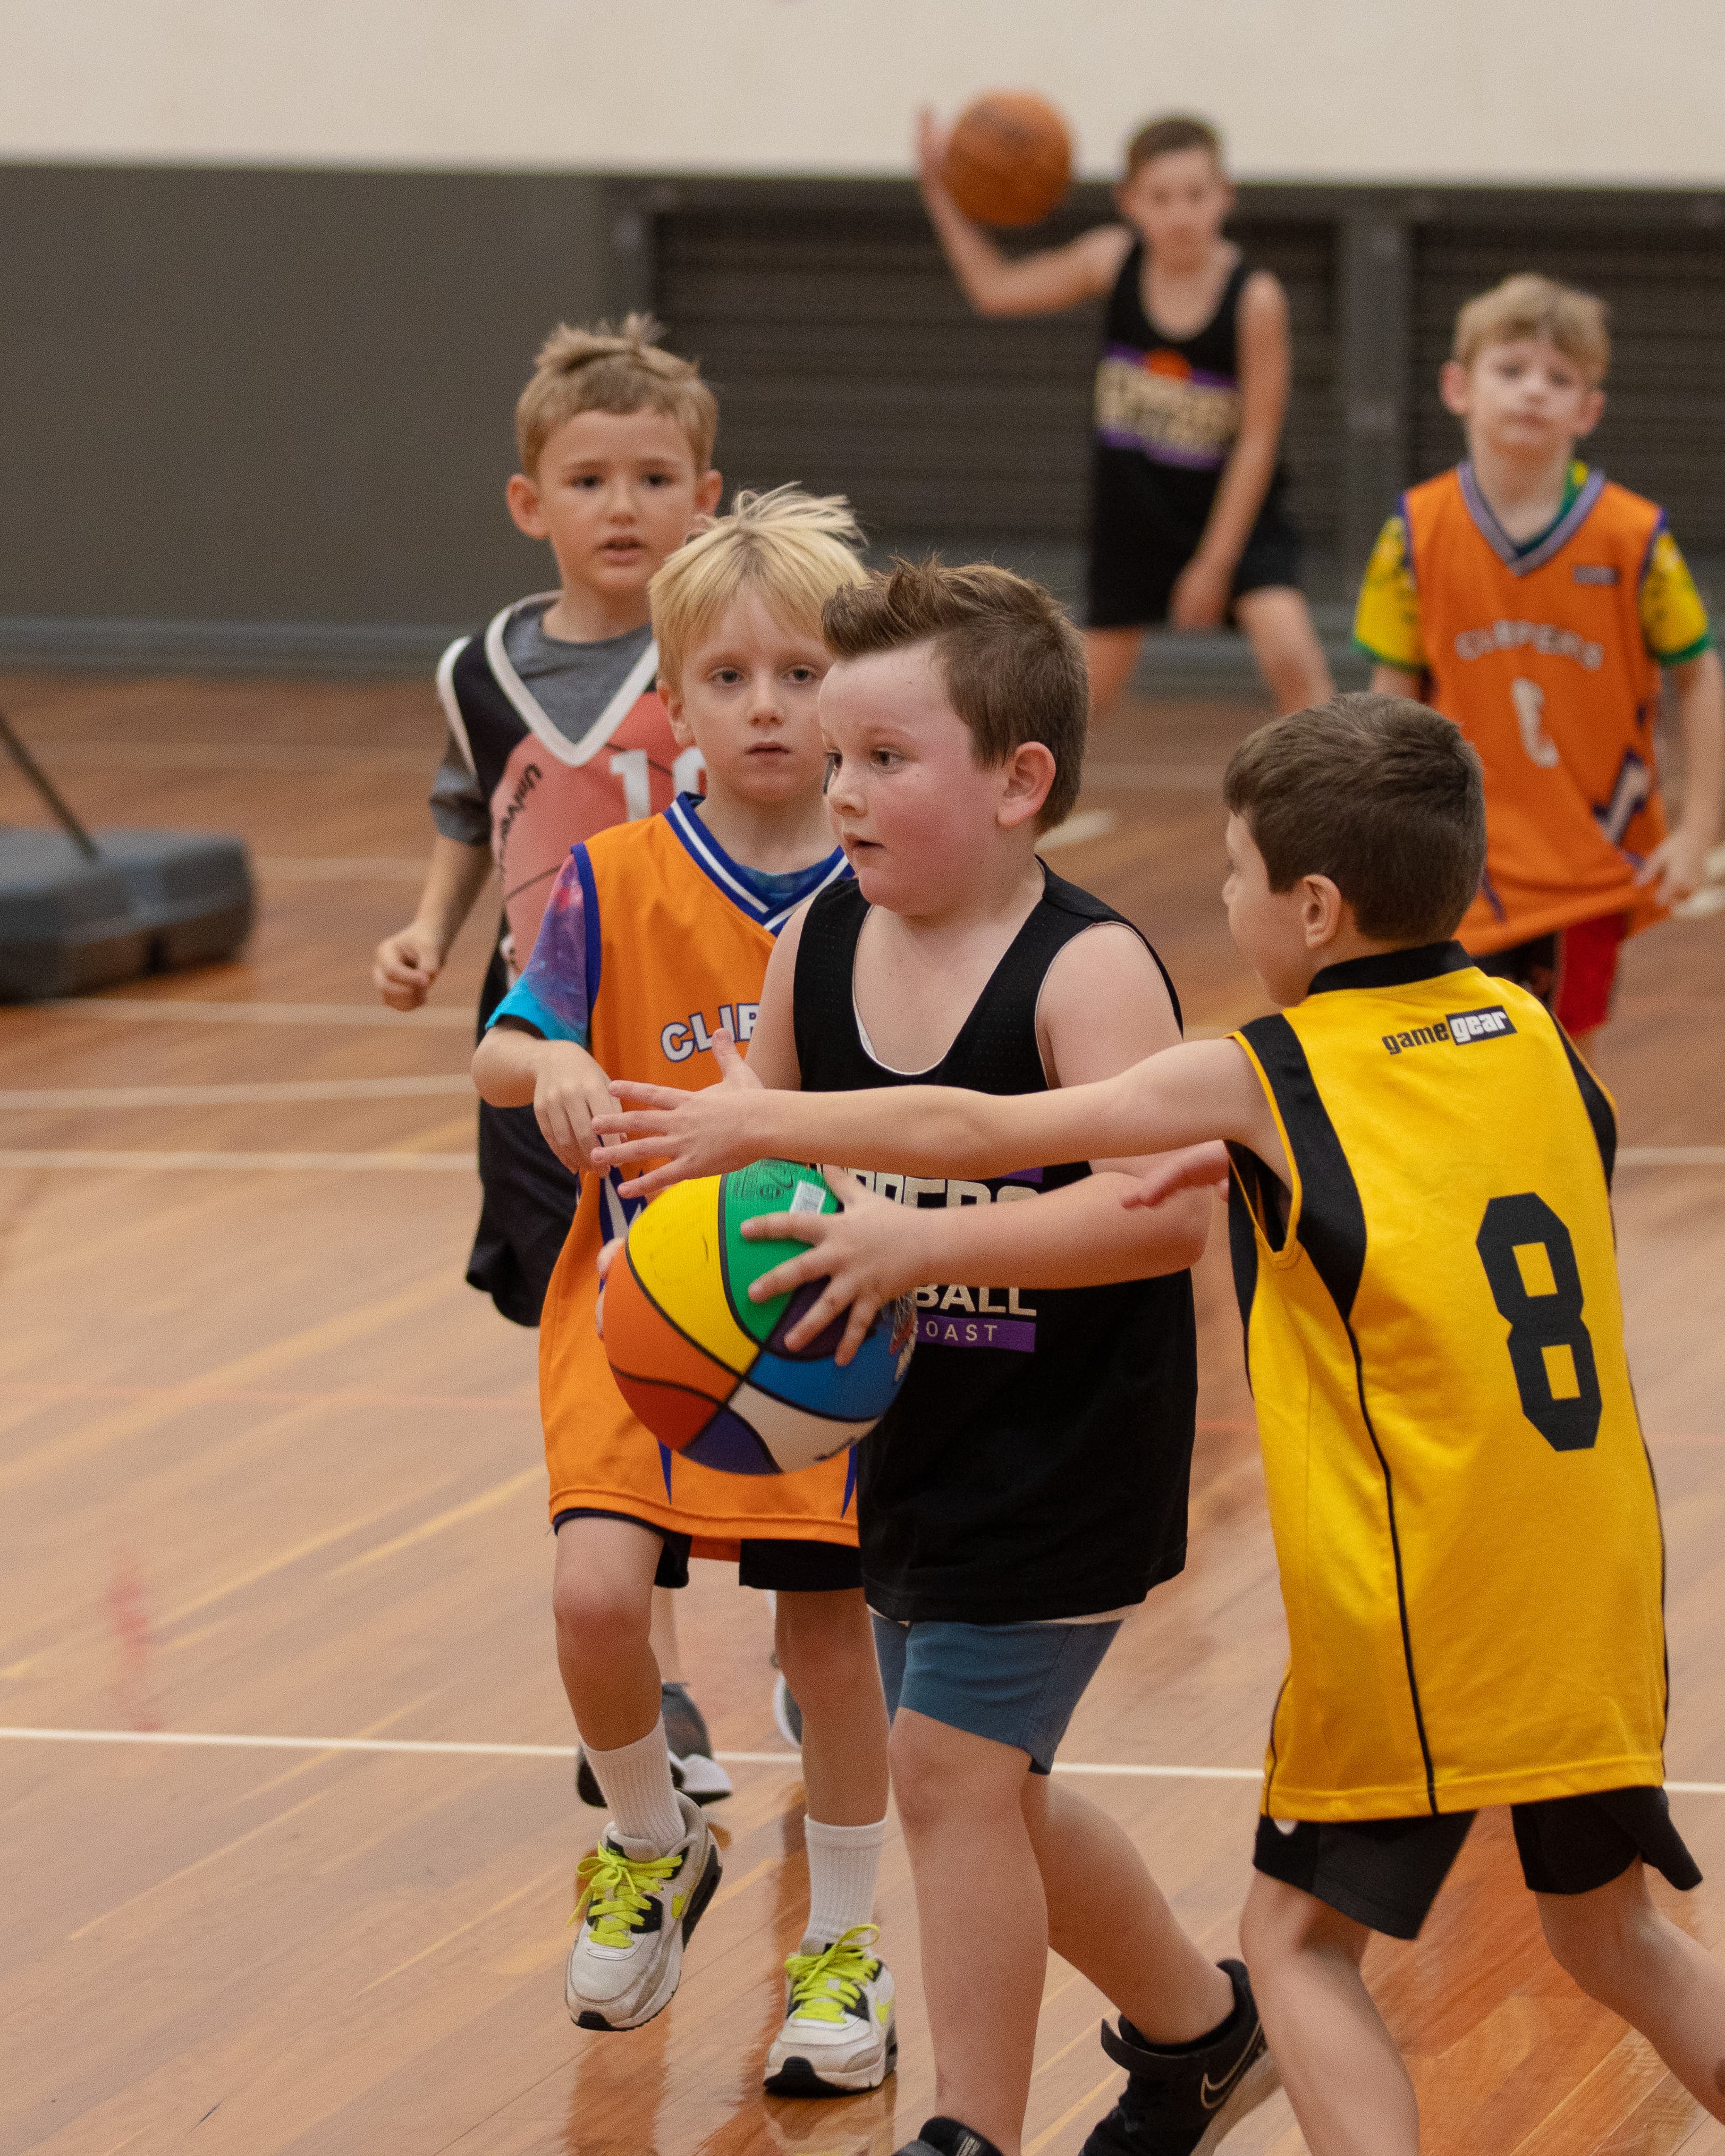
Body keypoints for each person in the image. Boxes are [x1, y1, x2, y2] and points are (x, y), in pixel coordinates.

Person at [597, 691, 1725, 2156]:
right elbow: (1429, 1175)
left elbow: (975, 1130)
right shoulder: (1530, 1036)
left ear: (1311, 908)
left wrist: (758, 1125)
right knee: (1609, 1932)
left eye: (1234, 871)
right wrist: (1250, 1158)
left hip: (1424, 1596)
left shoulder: (1264, 1071)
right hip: (1597, 1586)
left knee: (1294, 1944)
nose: (1222, 896)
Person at [599, 559, 1279, 2156]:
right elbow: (762, 1154)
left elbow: (1160, 1218)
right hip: (905, 1442)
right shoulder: (817, 940)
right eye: (838, 757)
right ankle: (1200, 2030)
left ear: (1018, 780)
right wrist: (671, 1260)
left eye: (885, 758)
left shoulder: (1085, 968)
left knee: (948, 1775)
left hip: (1066, 1448)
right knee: (988, 1787)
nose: (839, 789)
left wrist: (914, 1243)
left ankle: (969, 2128)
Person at [472, 489, 900, 2096]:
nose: (766, 706)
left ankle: (843, 1944)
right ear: (669, 701)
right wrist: (554, 1064)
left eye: (801, 674)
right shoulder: (609, 879)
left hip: (821, 1314)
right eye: (727, 677)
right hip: (638, 1307)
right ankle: (653, 1837)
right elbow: (505, 1046)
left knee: (829, 1638)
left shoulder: (888, 892)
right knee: (595, 1597)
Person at [373, 315, 729, 1799]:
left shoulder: (728, 647)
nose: (622, 506)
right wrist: (429, 927)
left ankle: (817, 1616)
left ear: (706, 495)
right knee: (606, 1348)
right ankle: (657, 1674)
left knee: (766, 1325)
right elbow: (475, 806)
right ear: (531, 502)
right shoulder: (478, 667)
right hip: (547, 1048)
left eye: (654, 477)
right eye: (589, 480)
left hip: (712, 1044)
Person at [1355, 272, 1725, 1050]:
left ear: (1588, 410)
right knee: (1452, 1055)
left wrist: (1698, 830)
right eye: (1511, 368)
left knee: (1563, 1060)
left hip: (1585, 858)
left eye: (1559, 378)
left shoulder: (1634, 538)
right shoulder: (1412, 533)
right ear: (1457, 387)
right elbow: (1391, 699)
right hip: (1459, 853)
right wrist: (1382, 825)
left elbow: (1697, 674)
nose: (1533, 391)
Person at [917, 109, 1331, 721]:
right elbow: (995, 288)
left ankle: (1334, 783)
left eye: (1196, 195)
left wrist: (1214, 564)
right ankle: (1025, 784)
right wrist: (940, 189)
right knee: (1077, 699)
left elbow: (1258, 441)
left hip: (1233, 518)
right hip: (1135, 517)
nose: (1180, 214)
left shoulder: (1255, 298)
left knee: (1293, 656)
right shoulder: (1111, 261)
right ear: (1129, 202)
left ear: (1225, 196)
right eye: (1160, 197)